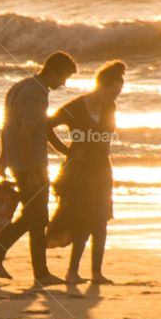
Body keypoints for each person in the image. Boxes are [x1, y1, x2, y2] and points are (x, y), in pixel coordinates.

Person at [0, 51, 77, 288]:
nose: (63, 83)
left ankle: (40, 273)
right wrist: (34, 171)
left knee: (36, 218)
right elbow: (25, 134)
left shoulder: (19, 87)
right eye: (63, 77)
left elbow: (7, 127)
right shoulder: (37, 94)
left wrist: (3, 157)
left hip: (17, 162)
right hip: (30, 165)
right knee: (37, 217)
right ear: (54, 71)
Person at [45, 59, 125, 286]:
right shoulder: (75, 107)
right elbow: (46, 126)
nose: (115, 97)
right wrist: (67, 152)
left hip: (102, 169)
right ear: (103, 86)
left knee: (101, 220)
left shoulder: (110, 107)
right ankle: (72, 272)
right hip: (79, 172)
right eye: (114, 91)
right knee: (83, 221)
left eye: (118, 93)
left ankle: (97, 273)